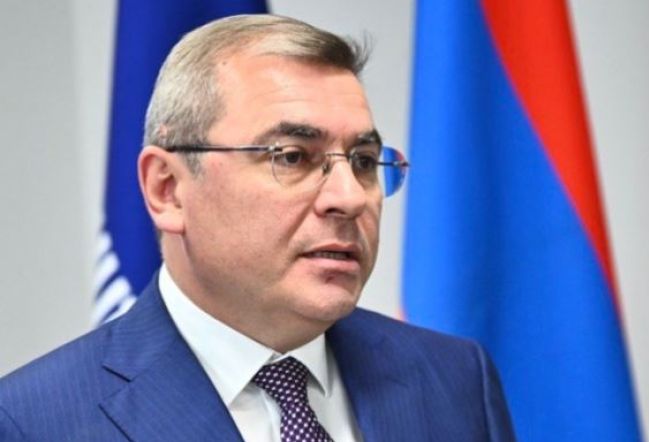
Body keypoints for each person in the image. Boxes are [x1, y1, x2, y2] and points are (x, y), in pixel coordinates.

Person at [0, 14, 515, 442]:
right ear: (168, 189)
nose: (350, 197)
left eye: (362, 161)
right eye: (292, 157)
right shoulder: (33, 423)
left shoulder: (455, 378)